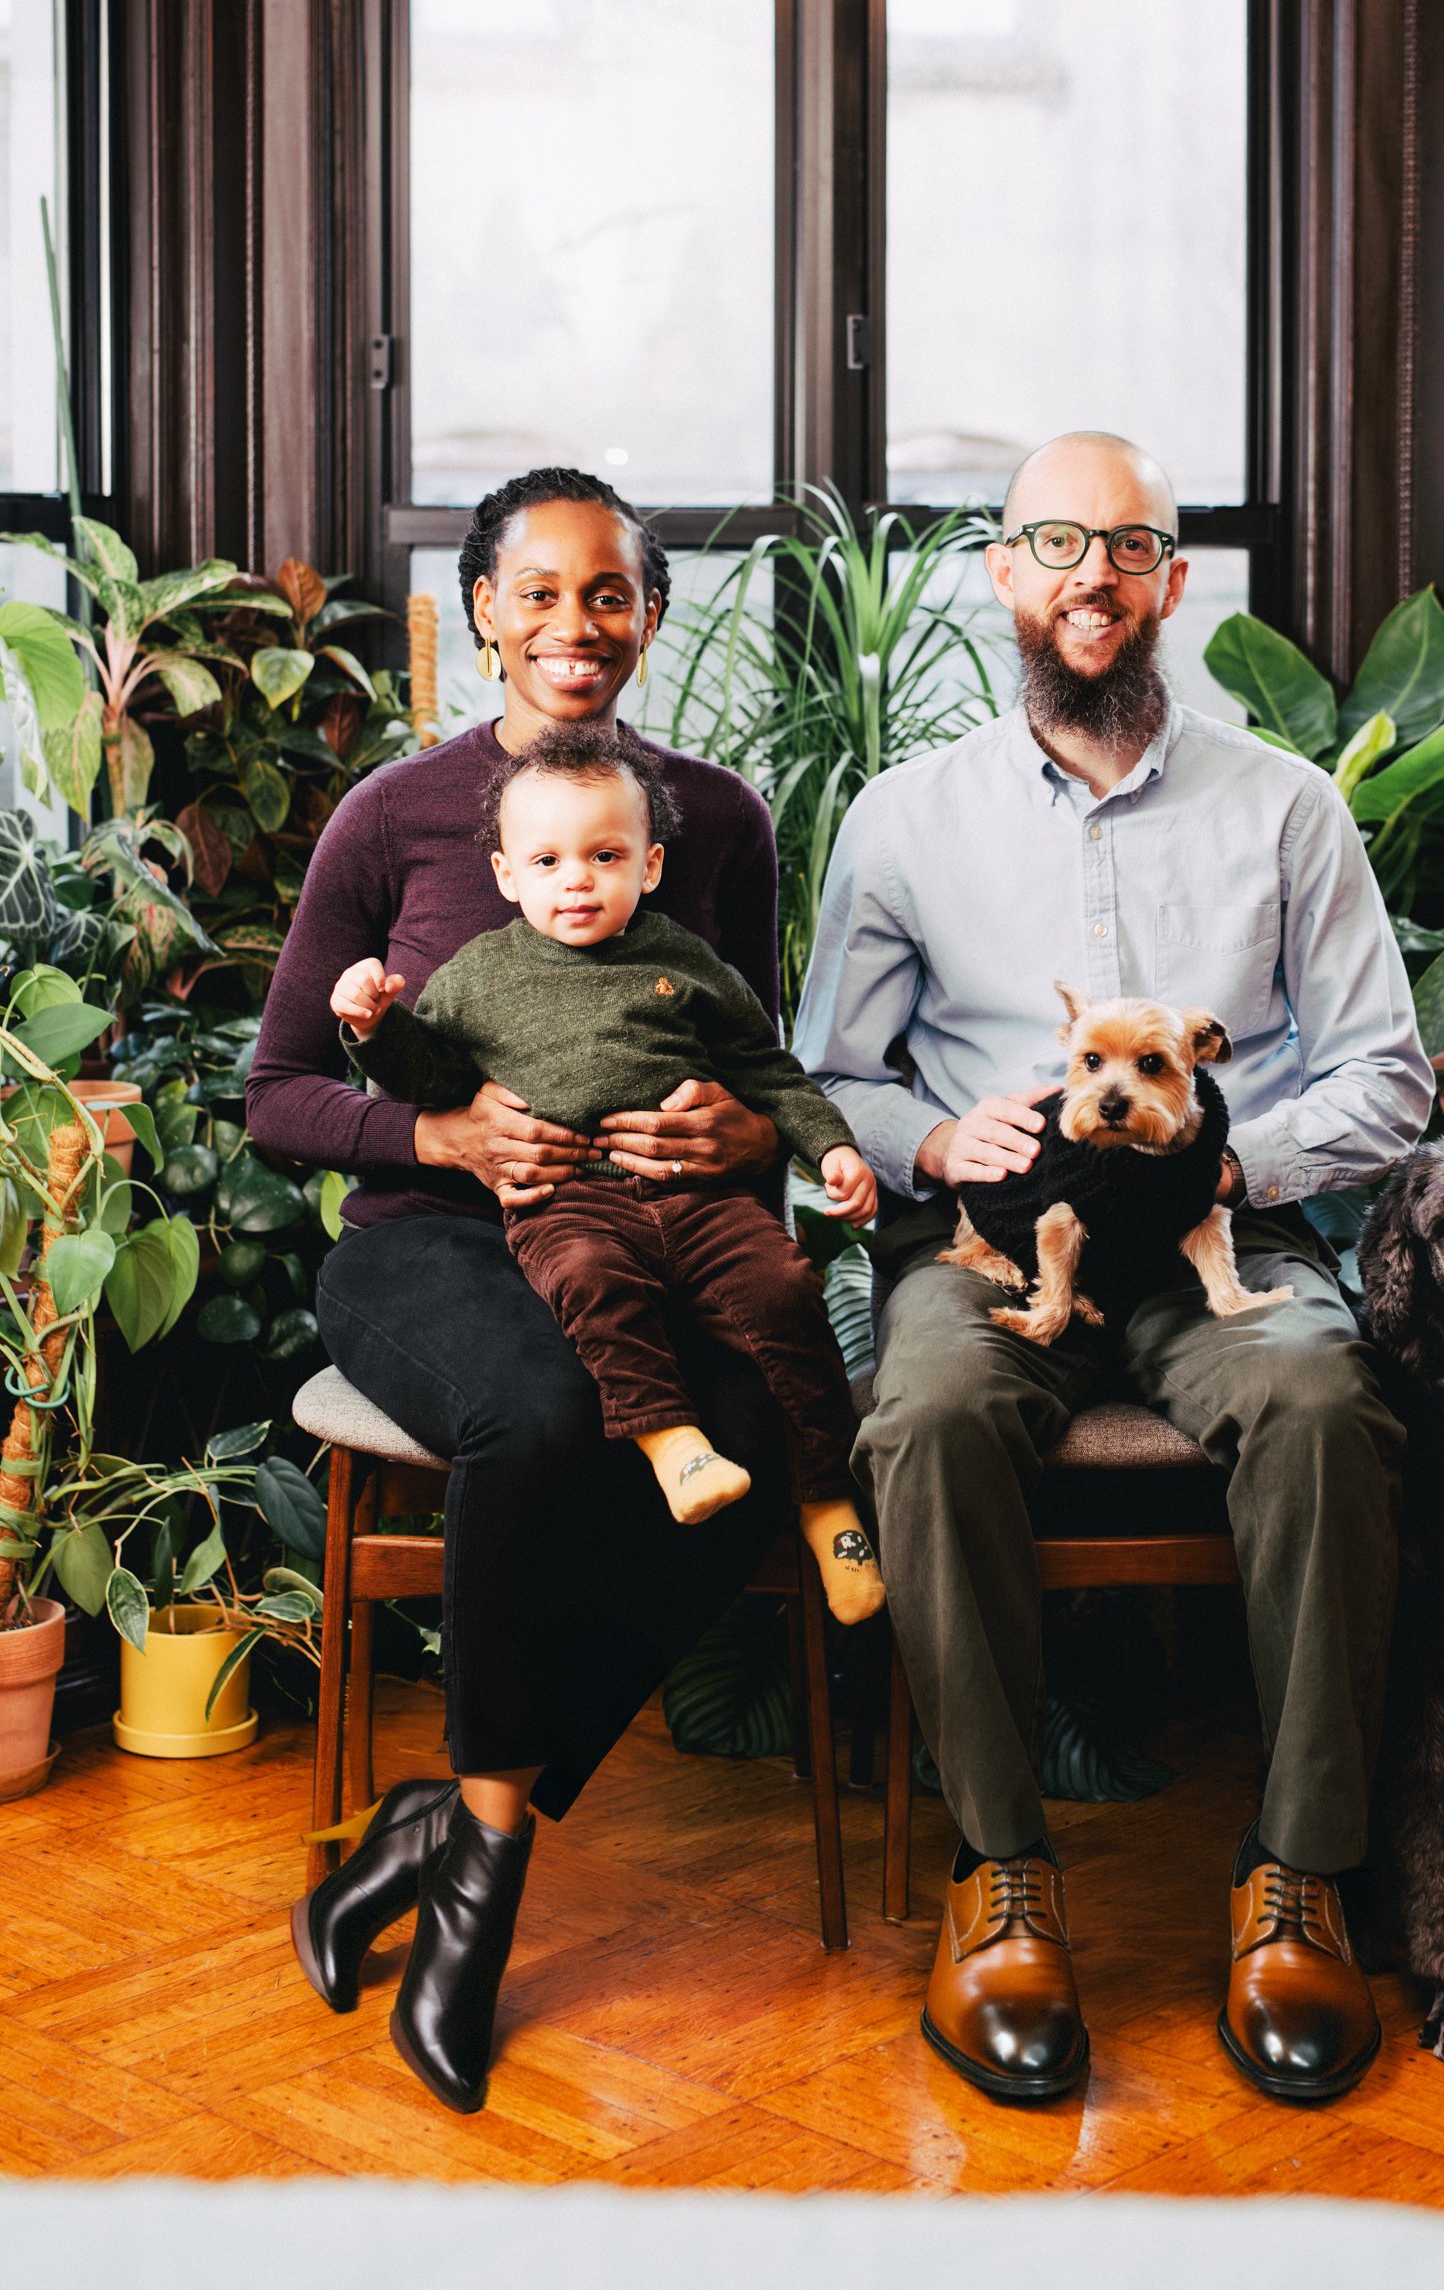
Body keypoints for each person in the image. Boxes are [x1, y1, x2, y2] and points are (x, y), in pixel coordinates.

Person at [794, 430, 1434, 2109]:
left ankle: (1294, 1872)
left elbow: (1385, 1070)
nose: (1093, 572)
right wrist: (937, 1145)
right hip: (997, 1239)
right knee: (923, 1420)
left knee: (1316, 1402)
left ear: (1169, 580)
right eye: (1056, 541)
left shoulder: (1284, 811)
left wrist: (1238, 1158)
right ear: (1001, 575)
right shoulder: (902, 818)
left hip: (1220, 1233)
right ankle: (999, 1876)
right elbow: (828, 1080)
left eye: (1129, 544)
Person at [247, 466, 798, 2118]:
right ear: (482, 608)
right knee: (552, 1419)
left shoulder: (718, 819)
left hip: (646, 1240)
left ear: (652, 613)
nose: (578, 625)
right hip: (426, 1245)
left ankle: (451, 1827)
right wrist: (439, 1126)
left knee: (768, 1433)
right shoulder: (394, 816)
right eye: (541, 593)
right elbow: (277, 1091)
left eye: (612, 592)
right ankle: (474, 1917)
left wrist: (740, 1124)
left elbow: (759, 1069)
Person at [329, 718, 883, 1621]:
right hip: (569, 1202)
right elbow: (428, 1078)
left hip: (699, 1200)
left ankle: (828, 1503)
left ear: (649, 866)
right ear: (506, 876)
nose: (575, 880)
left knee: (784, 1291)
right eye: (545, 862)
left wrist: (831, 1147)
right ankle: (673, 1446)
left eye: (603, 856)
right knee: (588, 1282)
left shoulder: (682, 959)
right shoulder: (478, 975)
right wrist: (375, 1027)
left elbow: (766, 1069)